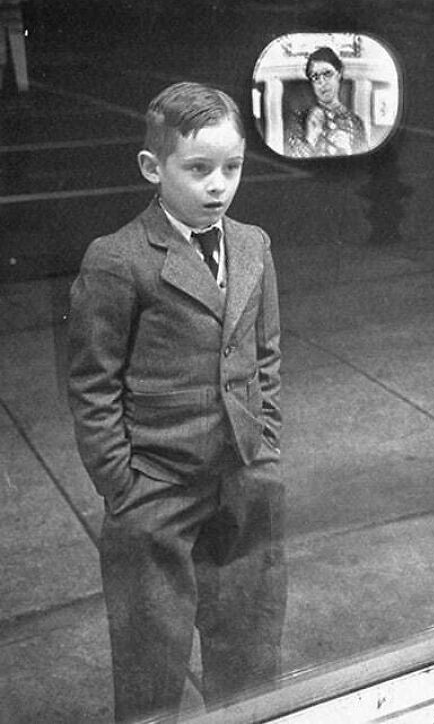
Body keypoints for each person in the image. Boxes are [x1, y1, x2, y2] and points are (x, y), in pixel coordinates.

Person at [67, 82, 286, 723]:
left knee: (249, 643)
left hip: (243, 474)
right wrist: (121, 483)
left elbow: (265, 353)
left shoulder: (253, 245)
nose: (218, 185)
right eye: (198, 169)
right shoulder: (118, 260)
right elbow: (94, 382)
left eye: (232, 167)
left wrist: (265, 441)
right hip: (156, 485)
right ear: (152, 167)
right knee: (151, 656)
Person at [285, 46, 367, 158]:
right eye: (315, 77)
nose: (322, 82)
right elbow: (291, 161)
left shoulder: (356, 123)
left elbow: (364, 162)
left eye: (327, 74)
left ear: (339, 74)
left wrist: (348, 150)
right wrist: (311, 139)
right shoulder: (300, 119)